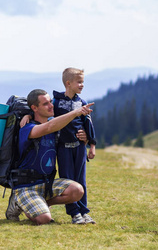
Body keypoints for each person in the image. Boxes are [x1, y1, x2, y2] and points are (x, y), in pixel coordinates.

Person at [5, 88, 94, 225]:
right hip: (26, 186)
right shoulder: (27, 128)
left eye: (51, 102)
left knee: (77, 190)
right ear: (34, 108)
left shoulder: (55, 124)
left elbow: (66, 129)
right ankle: (17, 202)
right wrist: (76, 112)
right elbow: (48, 127)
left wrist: (85, 138)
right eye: (45, 104)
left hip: (47, 184)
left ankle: (43, 203)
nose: (51, 106)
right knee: (44, 219)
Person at [52, 67, 96, 224]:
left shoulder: (81, 103)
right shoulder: (55, 103)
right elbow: (44, 116)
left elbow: (88, 123)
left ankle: (84, 212)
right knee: (69, 182)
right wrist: (29, 115)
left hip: (79, 148)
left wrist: (92, 145)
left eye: (83, 82)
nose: (82, 85)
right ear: (68, 83)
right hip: (63, 149)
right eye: (79, 82)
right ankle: (74, 214)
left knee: (81, 181)